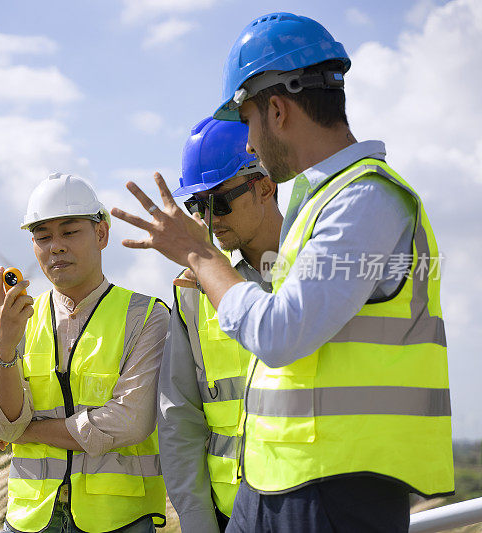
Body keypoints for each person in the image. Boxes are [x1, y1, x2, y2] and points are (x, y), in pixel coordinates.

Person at [112, 12, 452, 533]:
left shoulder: (365, 198)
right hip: (278, 484)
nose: (248, 143)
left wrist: (200, 257)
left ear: (276, 109)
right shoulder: (319, 206)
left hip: (336, 491)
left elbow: (280, 332)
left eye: (246, 121)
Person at [0, 172, 169, 533]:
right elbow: (0, 420)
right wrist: (4, 346)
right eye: (43, 236)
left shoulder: (146, 317)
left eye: (69, 232)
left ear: (101, 234)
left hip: (119, 520)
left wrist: (25, 431)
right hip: (30, 519)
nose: (56, 246)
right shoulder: (11, 322)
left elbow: (128, 422)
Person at [159, 117, 281, 533]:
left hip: (313, 507)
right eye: (198, 206)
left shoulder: (314, 272)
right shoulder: (191, 291)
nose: (208, 218)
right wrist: (198, 523)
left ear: (265, 186)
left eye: (220, 201)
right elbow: (180, 420)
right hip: (230, 516)